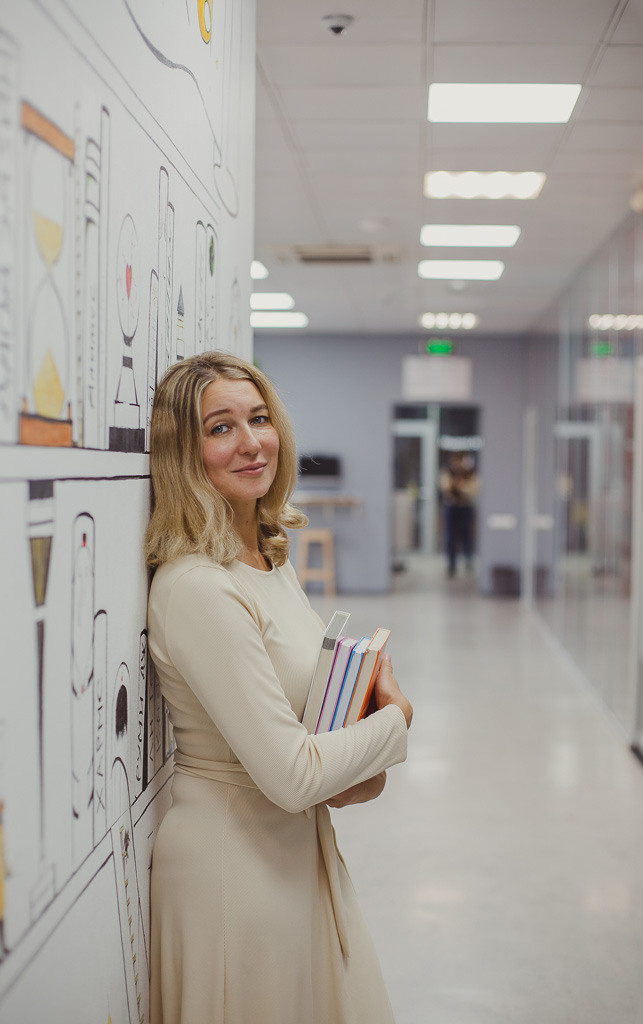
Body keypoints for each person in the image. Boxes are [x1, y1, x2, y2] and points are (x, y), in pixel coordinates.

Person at [145, 351, 413, 1024]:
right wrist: (396, 720)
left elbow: (306, 746)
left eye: (258, 419)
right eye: (219, 428)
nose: (250, 442)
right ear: (183, 452)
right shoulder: (199, 588)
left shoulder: (267, 559)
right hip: (234, 877)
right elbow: (293, 776)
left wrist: (356, 758)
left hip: (291, 854)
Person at [438, 451, 480, 577]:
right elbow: (445, 486)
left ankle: (468, 560)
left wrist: (459, 486)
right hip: (452, 506)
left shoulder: (470, 473)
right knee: (451, 536)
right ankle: (451, 564)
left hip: (465, 506)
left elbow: (473, 489)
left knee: (466, 534)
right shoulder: (448, 472)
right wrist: (456, 486)